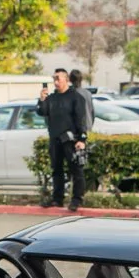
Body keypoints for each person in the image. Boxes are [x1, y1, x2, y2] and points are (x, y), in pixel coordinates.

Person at [39, 68, 87, 210]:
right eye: (54, 79)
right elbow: (42, 111)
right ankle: (57, 199)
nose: (55, 82)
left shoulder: (75, 97)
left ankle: (77, 200)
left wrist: (81, 139)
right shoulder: (52, 98)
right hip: (55, 139)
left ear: (66, 79)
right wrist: (42, 99)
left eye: (58, 79)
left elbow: (81, 119)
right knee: (57, 170)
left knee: (76, 170)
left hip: (71, 139)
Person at [70, 67, 96, 134]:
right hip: (88, 126)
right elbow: (92, 112)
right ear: (81, 79)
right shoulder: (88, 93)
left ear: (70, 80)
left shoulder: (70, 94)